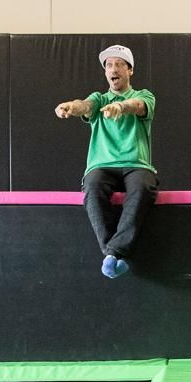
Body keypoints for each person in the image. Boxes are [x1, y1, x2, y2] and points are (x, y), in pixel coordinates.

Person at [56, 44, 158, 278]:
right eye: (109, 65)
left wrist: (121, 107)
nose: (113, 69)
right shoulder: (99, 99)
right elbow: (85, 105)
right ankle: (113, 254)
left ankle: (112, 253)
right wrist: (71, 107)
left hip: (136, 164)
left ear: (129, 70)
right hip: (102, 166)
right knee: (91, 187)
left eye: (119, 64)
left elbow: (138, 106)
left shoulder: (144, 95)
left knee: (144, 187)